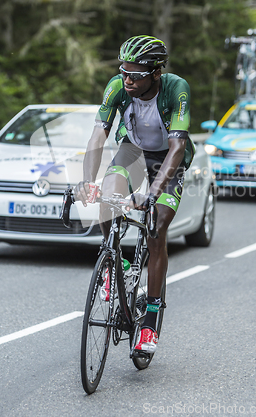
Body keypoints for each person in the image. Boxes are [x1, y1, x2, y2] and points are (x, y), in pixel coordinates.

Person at [74, 35, 195, 355]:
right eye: (123, 71)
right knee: (106, 200)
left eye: (135, 74)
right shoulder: (117, 86)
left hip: (168, 162)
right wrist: (87, 181)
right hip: (132, 153)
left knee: (156, 229)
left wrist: (152, 194)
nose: (126, 79)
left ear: (156, 73)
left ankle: (150, 323)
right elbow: (98, 135)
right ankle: (115, 263)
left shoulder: (175, 88)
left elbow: (178, 146)